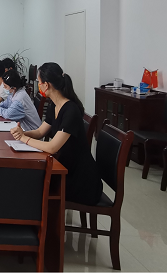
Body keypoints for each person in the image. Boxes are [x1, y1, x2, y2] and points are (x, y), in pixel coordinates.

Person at [10, 63, 103, 206]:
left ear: (46, 85)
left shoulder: (70, 110)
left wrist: (24, 138)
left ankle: (44, 219)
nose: (38, 86)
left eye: (39, 82)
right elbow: (40, 132)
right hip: (65, 167)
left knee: (33, 185)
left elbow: (53, 147)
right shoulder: (54, 105)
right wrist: (22, 133)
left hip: (81, 179)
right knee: (29, 180)